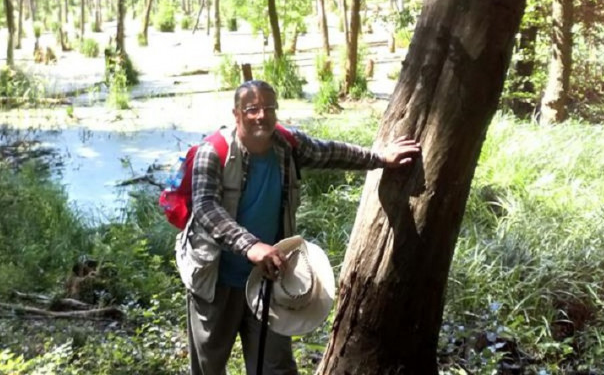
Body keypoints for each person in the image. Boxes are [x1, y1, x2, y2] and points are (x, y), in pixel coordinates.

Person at [175, 79, 421, 375]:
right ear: (236, 113)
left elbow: (332, 153)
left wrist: (381, 158)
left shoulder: (286, 146)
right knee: (208, 368)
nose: (261, 115)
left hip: (269, 280)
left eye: (268, 107)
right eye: (252, 109)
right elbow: (205, 208)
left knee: (276, 368)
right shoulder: (213, 152)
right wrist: (250, 245)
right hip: (216, 282)